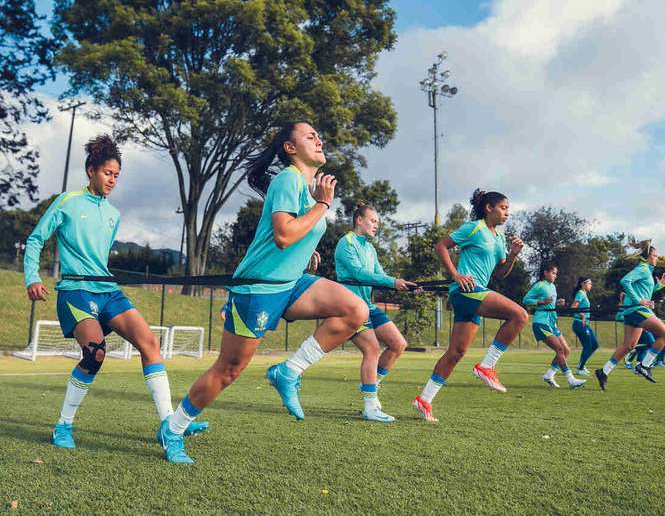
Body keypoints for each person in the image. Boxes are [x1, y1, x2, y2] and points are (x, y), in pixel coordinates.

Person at [158, 121, 369, 463]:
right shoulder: (289, 179)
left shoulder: (305, 185)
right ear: (290, 149)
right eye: (309, 136)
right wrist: (323, 206)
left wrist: (308, 251)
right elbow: (284, 234)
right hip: (259, 289)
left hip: (290, 283)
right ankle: (174, 427)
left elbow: (291, 239)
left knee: (355, 311)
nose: (319, 139)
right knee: (228, 369)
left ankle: (288, 371)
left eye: (318, 134)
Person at [24, 135, 207, 451]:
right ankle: (63, 426)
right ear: (91, 170)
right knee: (95, 352)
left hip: (108, 290)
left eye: (117, 176)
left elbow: (101, 255)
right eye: (108, 173)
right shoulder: (67, 201)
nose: (113, 180)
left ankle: (168, 424)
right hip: (76, 291)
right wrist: (32, 277)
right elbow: (35, 240)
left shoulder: (113, 215)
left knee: (149, 341)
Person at [413, 190, 528, 422]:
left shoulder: (498, 238)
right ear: (489, 208)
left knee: (456, 353)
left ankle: (424, 400)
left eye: (508, 209)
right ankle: (487, 366)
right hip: (465, 292)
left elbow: (500, 274)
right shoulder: (473, 228)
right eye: (503, 208)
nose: (507, 213)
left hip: (475, 296)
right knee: (520, 315)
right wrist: (456, 275)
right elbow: (441, 246)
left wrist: (513, 255)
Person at [334, 204, 417, 422]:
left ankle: (371, 385)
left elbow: (379, 275)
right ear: (359, 220)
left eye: (378, 222)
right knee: (372, 349)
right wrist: (392, 282)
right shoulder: (346, 243)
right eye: (373, 221)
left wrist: (405, 285)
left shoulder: (370, 249)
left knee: (398, 344)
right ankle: (370, 407)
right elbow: (359, 274)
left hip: (368, 306)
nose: (376, 226)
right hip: (350, 307)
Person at [594, 240, 665, 390]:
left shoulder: (646, 271)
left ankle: (603, 372)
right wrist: (639, 301)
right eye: (655, 256)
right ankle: (645, 365)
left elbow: (644, 292)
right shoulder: (642, 268)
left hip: (632, 312)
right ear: (647, 257)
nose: (657, 258)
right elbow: (625, 281)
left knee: (629, 346)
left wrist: (658, 286)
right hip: (637, 310)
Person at [523, 264, 586, 389]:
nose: (555, 276)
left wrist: (557, 303)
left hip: (552, 323)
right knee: (559, 350)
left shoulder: (553, 287)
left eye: (556, 273)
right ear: (546, 273)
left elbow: (549, 304)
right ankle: (571, 380)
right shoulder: (539, 285)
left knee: (566, 350)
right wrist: (541, 302)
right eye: (553, 273)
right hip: (541, 322)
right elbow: (525, 300)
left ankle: (549, 374)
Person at [570, 277, 598, 375]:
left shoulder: (584, 295)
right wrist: (582, 315)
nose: (591, 285)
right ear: (583, 284)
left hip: (586, 324)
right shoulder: (580, 294)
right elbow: (573, 307)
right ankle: (580, 369)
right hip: (579, 324)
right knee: (588, 345)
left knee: (595, 345)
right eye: (589, 283)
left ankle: (581, 365)